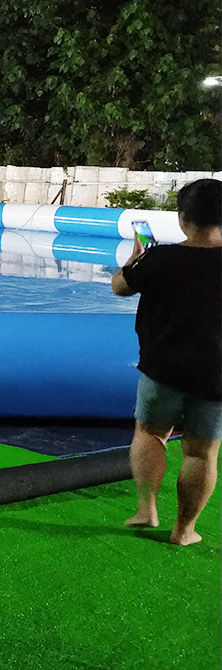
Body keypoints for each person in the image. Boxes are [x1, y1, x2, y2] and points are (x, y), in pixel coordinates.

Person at [111, 178, 221, 546]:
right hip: (217, 376)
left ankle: (147, 509)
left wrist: (134, 261)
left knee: (150, 434)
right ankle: (184, 530)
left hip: (163, 370)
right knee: (202, 453)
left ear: (183, 218)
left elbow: (119, 287)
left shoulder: (159, 259)